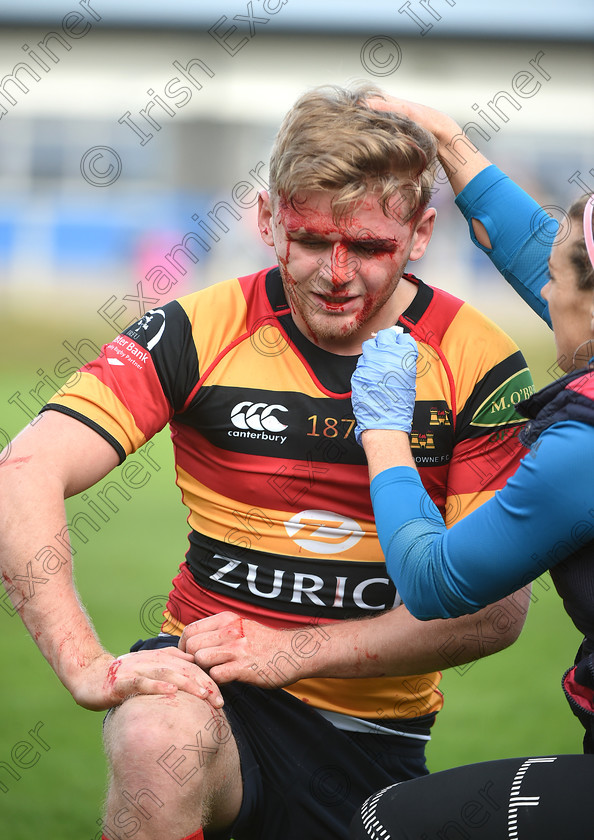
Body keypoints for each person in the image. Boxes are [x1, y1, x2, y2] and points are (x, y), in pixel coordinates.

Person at [0, 85, 532, 840]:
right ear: (266, 220)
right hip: (211, 688)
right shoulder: (197, 327)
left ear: (420, 234)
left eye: (371, 248)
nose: (336, 272)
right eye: (312, 240)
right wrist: (87, 665)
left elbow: (494, 613)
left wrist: (293, 652)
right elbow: (23, 470)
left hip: (374, 734)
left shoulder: (476, 358)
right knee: (156, 738)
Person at [349, 96, 594, 839]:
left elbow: (433, 580)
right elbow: (548, 261)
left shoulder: (582, 451)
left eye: (556, 278)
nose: (543, 294)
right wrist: (452, 143)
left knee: (386, 826)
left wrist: (385, 432)